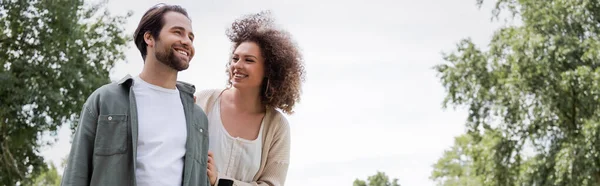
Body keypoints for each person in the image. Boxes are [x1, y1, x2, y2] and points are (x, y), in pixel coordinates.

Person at [61, 4, 210, 186]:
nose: (187, 41)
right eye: (177, 32)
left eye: (191, 37)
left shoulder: (197, 117)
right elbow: (76, 172)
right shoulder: (106, 100)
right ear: (149, 38)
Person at [195, 11, 305, 186]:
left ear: (269, 70)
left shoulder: (277, 126)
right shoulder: (203, 101)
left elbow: (272, 184)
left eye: (249, 60)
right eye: (235, 58)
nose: (237, 65)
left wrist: (220, 182)